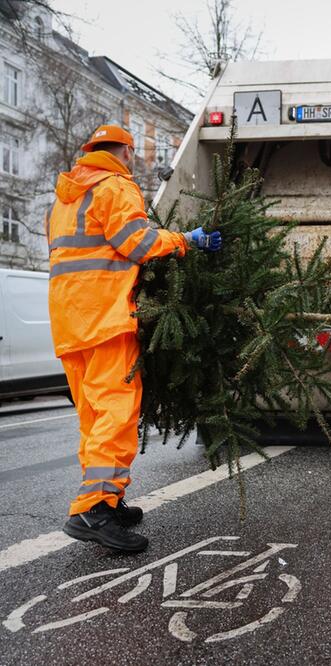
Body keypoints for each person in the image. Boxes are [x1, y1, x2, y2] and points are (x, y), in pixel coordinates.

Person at [49, 125, 222, 553]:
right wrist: (186, 241)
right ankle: (95, 510)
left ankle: (107, 498)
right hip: (104, 318)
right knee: (116, 412)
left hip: (70, 319)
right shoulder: (115, 187)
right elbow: (137, 242)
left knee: (93, 416)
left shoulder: (66, 197)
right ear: (125, 151)